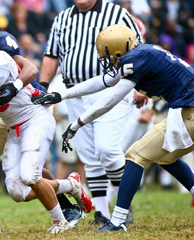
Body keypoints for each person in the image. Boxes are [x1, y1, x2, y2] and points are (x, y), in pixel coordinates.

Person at [32, 24, 194, 232]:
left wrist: (77, 123)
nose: (108, 61)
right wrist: (62, 95)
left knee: (135, 156)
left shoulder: (134, 59)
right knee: (165, 156)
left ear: (118, 50)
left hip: (187, 111)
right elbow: (104, 81)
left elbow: (110, 99)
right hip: (186, 109)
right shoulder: (143, 52)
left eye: (108, 56)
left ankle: (117, 221)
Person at [0, 12, 91, 235]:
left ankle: (63, 215)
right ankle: (69, 185)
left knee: (30, 173)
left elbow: (28, 69)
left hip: (32, 112)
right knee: (15, 189)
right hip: (9, 121)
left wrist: (15, 85)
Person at [36, 0, 143, 225]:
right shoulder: (62, 18)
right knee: (89, 156)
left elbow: (138, 49)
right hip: (74, 91)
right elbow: (51, 55)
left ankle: (123, 207)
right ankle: (102, 212)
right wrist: (43, 87)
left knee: (107, 149)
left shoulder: (117, 13)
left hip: (112, 89)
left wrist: (140, 86)